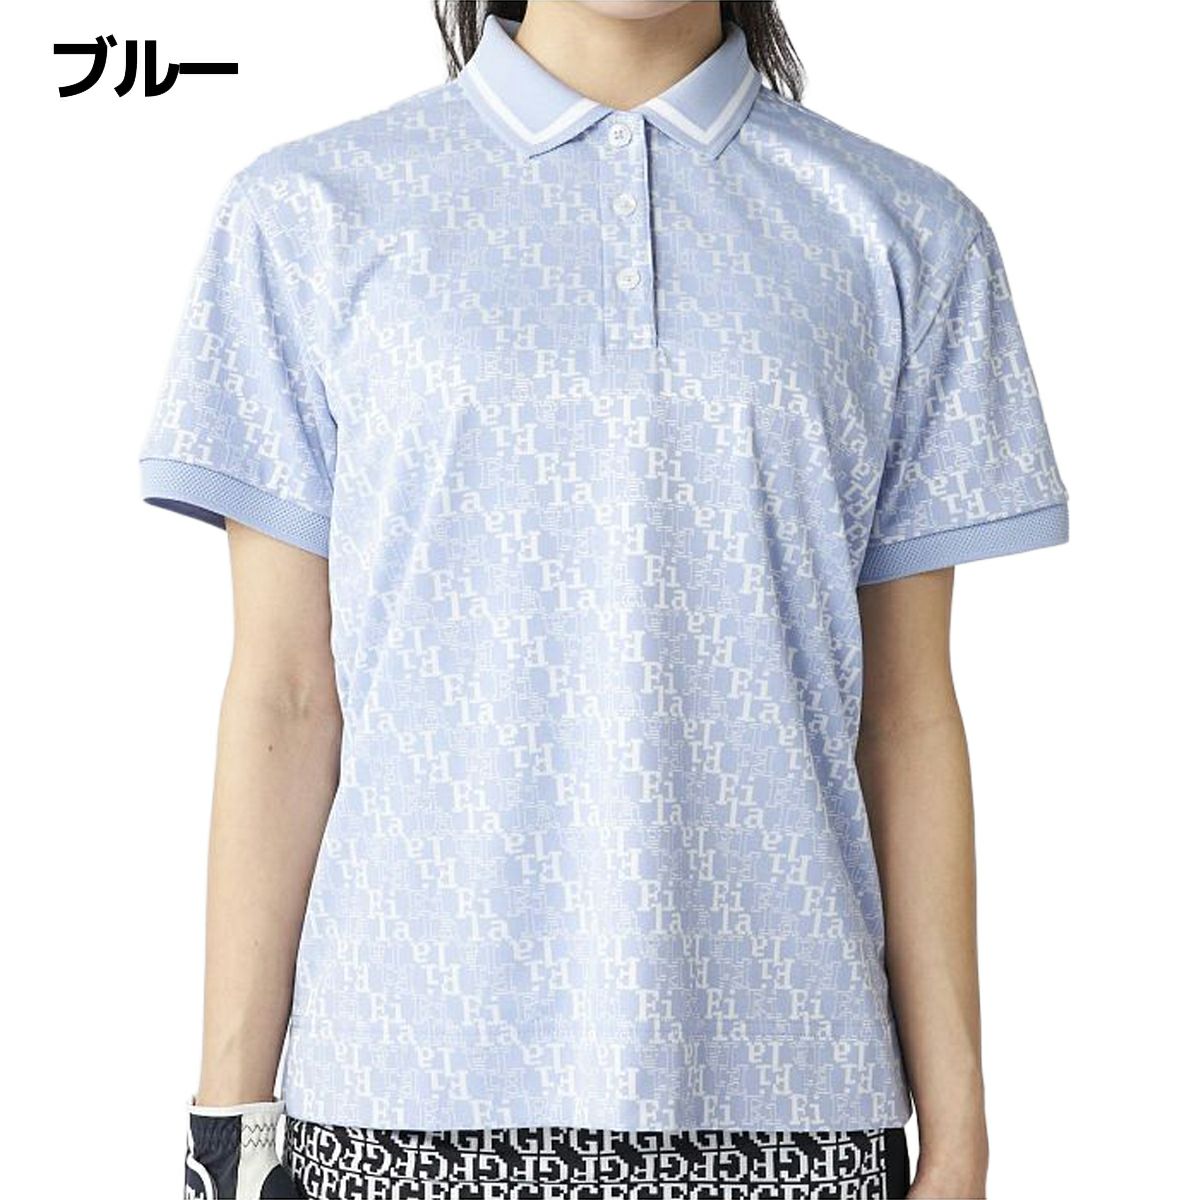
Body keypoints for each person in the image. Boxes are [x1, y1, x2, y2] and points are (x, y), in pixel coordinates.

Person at [141, 2, 1071, 1197]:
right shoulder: (307, 215)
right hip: (397, 1102)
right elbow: (285, 695)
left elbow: (905, 718)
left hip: (794, 1107)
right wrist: (230, 1132)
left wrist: (961, 1139)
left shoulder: (904, 232)